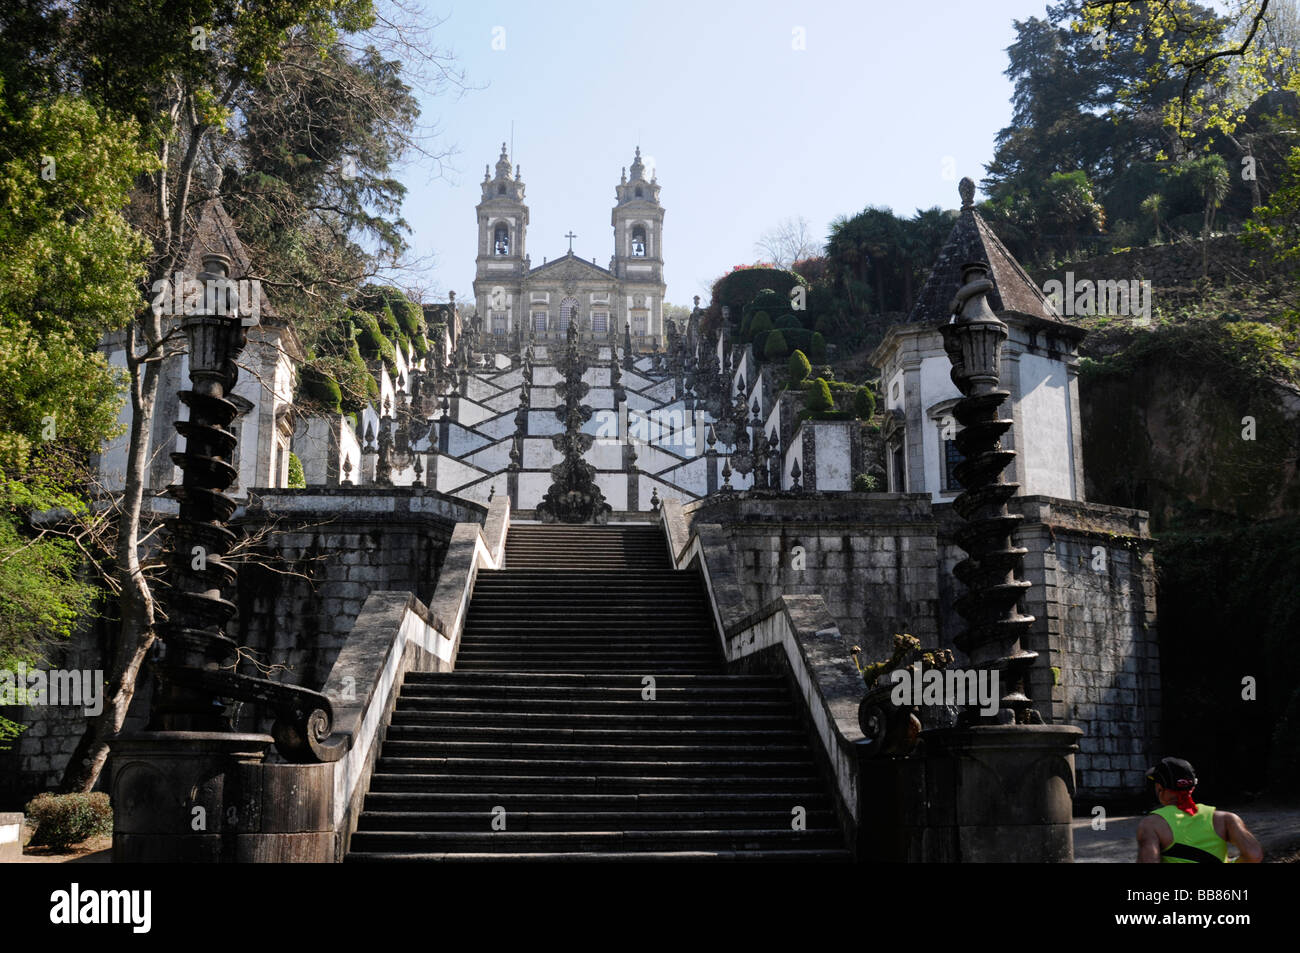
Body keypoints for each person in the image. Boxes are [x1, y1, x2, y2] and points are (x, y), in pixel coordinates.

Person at [1136, 756, 1263, 863]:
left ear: (1159, 789)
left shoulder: (1151, 824)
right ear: (1192, 788)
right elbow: (1254, 855)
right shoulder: (1226, 819)